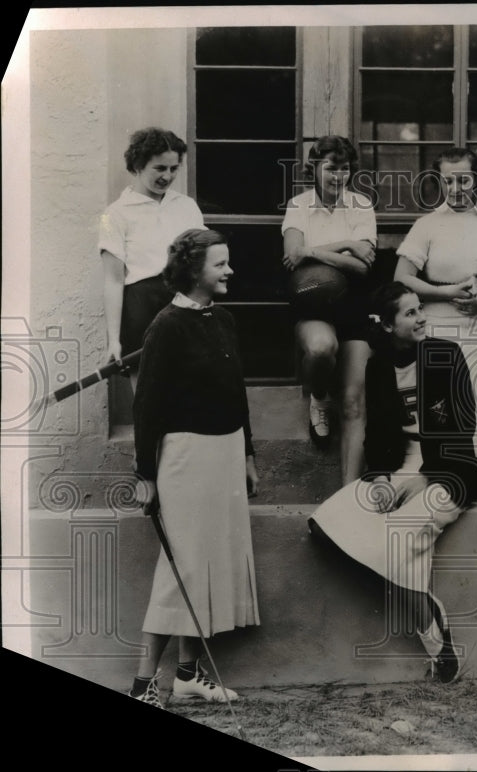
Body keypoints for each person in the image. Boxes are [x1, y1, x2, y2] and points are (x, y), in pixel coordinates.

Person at [307, 282, 477, 683]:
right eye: (409, 313)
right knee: (327, 520)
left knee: (399, 538)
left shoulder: (446, 355)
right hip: (399, 468)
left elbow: (463, 426)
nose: (421, 317)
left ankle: (436, 642)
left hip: (448, 470)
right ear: (387, 325)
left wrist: (427, 477)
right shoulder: (379, 365)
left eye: (420, 309)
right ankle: (432, 612)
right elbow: (380, 434)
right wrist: (384, 478)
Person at [130, 229, 261, 708]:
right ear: (193, 272)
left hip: (225, 454)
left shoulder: (222, 319)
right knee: (181, 567)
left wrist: (247, 454)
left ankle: (187, 675)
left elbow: (236, 391)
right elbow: (147, 406)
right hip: (185, 457)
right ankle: (143, 685)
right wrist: (146, 475)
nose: (229, 271)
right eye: (219, 265)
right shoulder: (166, 326)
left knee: (208, 565)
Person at [394, 146, 477, 467]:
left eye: (463, 181)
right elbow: (403, 278)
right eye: (448, 182)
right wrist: (448, 291)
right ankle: (446, 477)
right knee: (443, 408)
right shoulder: (427, 224)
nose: (455, 189)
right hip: (440, 330)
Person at [281, 136, 377, 482]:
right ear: (315, 169)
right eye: (330, 168)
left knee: (354, 404)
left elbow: (363, 266)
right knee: (322, 349)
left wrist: (313, 251)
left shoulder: (362, 205)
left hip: (354, 304)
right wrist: (346, 244)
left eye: (345, 168)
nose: (338, 176)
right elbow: (292, 254)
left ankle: (348, 498)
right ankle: (319, 398)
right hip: (312, 301)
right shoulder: (299, 205)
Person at [99, 127, 205, 389]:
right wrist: (114, 340)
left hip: (184, 301)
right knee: (148, 389)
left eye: (173, 168)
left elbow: (203, 260)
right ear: (137, 165)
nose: (167, 176)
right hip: (142, 305)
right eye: (159, 168)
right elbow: (113, 281)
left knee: (189, 385)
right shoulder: (115, 214)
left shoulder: (186, 206)